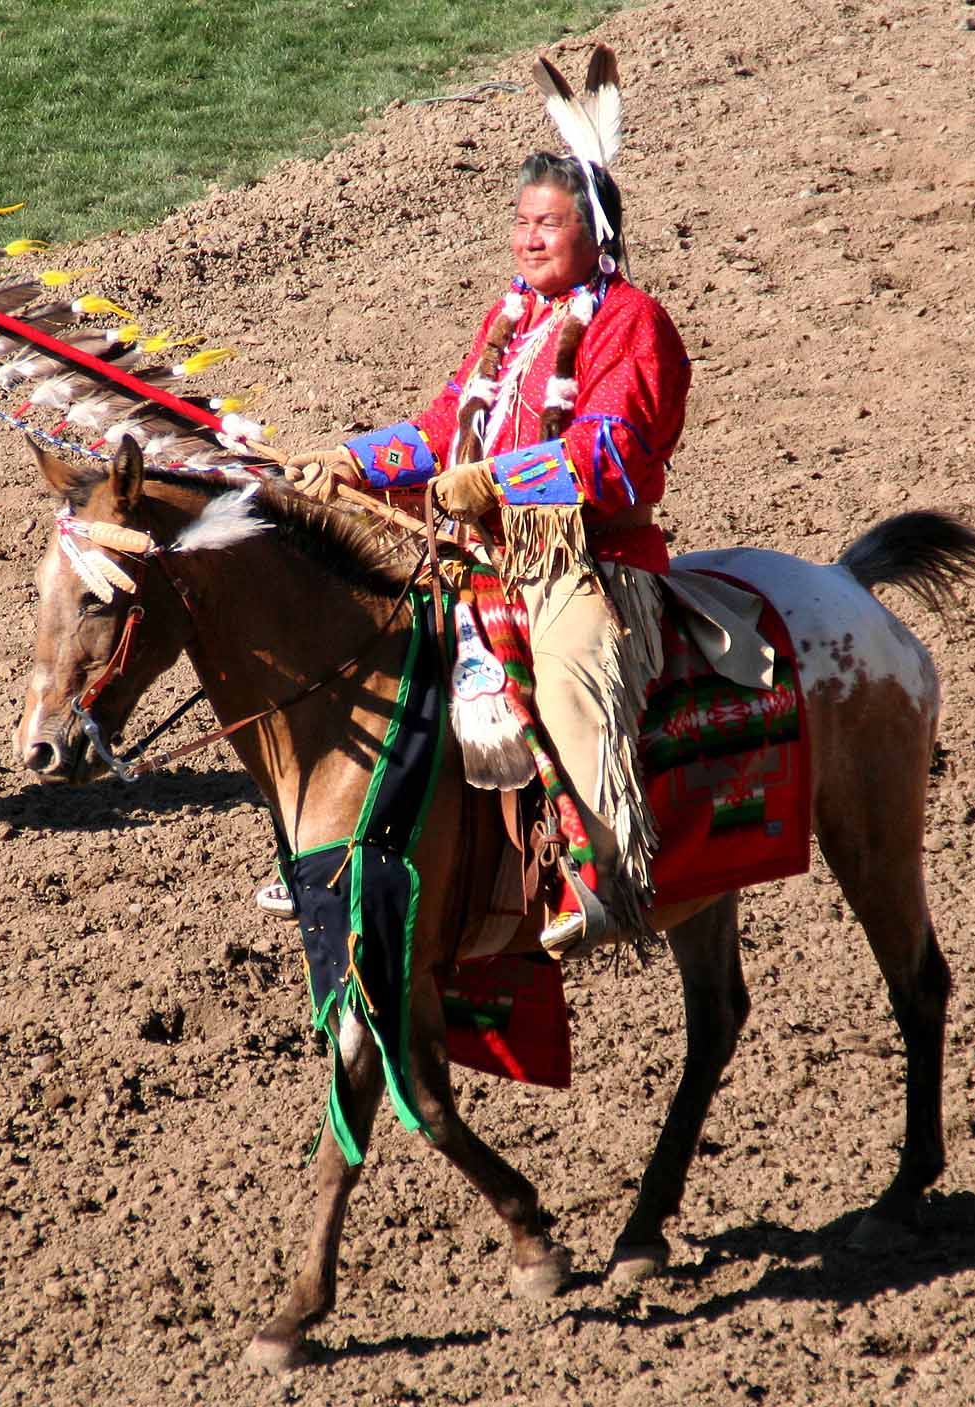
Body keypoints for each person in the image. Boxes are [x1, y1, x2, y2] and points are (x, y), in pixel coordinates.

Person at [278, 51, 692, 956]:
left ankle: (602, 869)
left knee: (573, 670)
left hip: (585, 565)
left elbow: (612, 453)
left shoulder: (634, 322)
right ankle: (349, 846)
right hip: (479, 555)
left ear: (595, 235)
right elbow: (440, 427)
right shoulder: (510, 321)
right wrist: (346, 460)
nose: (528, 240)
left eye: (547, 225)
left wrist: (495, 483)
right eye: (521, 224)